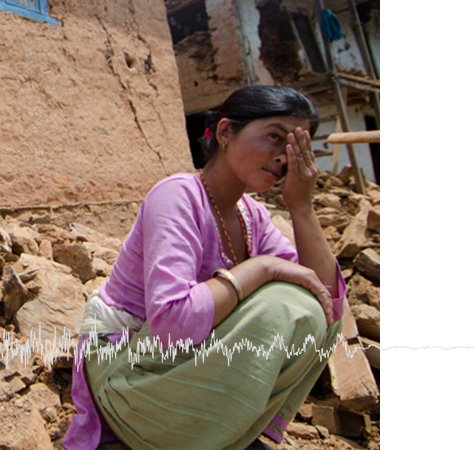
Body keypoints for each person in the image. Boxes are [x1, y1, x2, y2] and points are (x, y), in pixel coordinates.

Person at [63, 85, 346, 450]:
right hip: (128, 378)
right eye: (274, 137)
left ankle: (220, 430)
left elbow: (327, 299)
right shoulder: (177, 195)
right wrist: (260, 268)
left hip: (170, 372)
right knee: (283, 305)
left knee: (314, 307)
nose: (284, 157)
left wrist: (301, 206)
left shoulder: (251, 217)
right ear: (226, 132)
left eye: (295, 146)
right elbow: (172, 326)